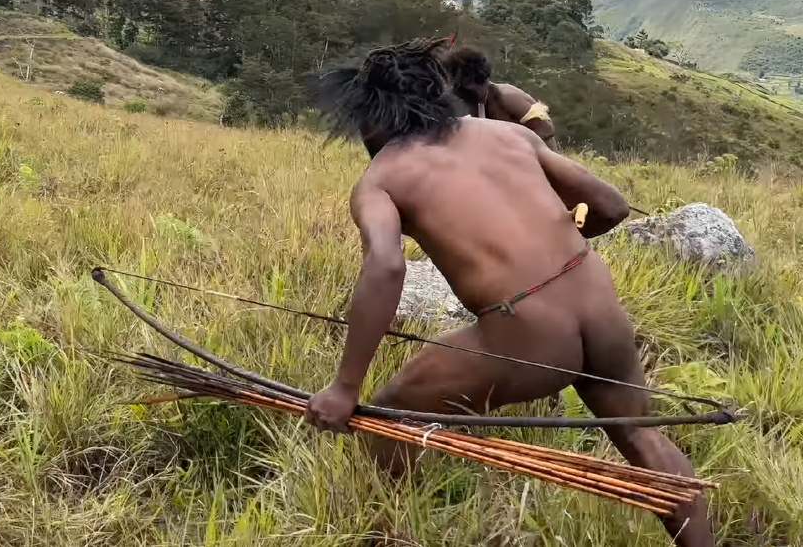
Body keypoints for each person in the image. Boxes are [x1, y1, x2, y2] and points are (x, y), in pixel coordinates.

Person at [304, 40, 712, 547]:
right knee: (641, 435)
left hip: (526, 333)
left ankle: (390, 535)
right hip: (600, 307)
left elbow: (386, 265)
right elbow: (610, 205)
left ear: (369, 115)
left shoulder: (380, 179)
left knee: (390, 413)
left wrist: (345, 387)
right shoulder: (509, 136)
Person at [443, 45, 560, 150]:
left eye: (468, 91)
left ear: (480, 80)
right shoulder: (475, 104)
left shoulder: (508, 96)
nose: (465, 95)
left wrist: (516, 151)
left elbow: (546, 129)